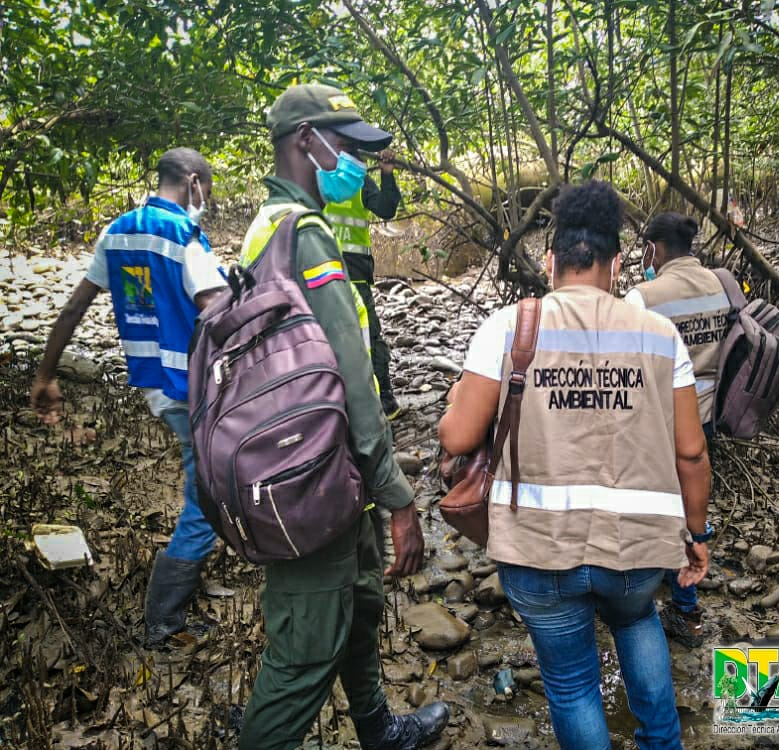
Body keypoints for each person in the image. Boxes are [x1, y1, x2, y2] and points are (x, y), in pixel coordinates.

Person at [439, 180, 712, 750]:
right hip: (637, 547)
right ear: (616, 266)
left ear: (549, 261)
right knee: (638, 622)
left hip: (539, 549)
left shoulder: (509, 328)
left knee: (570, 686)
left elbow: (459, 435)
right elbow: (691, 451)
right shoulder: (661, 337)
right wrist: (695, 531)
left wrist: (456, 405)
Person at [236, 83, 448, 750]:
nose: (352, 160)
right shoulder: (306, 237)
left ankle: (379, 728)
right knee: (301, 657)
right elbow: (353, 378)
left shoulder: (269, 224)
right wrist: (397, 496)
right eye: (346, 146)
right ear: (307, 141)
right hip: (315, 474)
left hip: (314, 463)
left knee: (359, 606)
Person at [29, 148, 226, 646]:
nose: (209, 197)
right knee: (204, 502)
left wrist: (46, 376)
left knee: (203, 485)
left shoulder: (116, 231)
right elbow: (218, 312)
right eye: (208, 187)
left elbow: (76, 305)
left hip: (156, 387)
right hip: (196, 388)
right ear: (193, 181)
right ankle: (163, 620)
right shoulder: (185, 235)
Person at [624, 212, 728, 649]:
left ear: (654, 249)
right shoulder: (723, 284)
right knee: (693, 507)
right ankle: (685, 599)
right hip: (709, 416)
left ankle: (680, 609)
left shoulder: (642, 297)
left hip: (661, 422)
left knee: (661, 513)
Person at [319, 87, 403, 419]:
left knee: (370, 335)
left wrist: (386, 174)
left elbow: (385, 209)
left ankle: (383, 402)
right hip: (324, 269)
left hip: (354, 270)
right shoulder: (312, 178)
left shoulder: (356, 179)